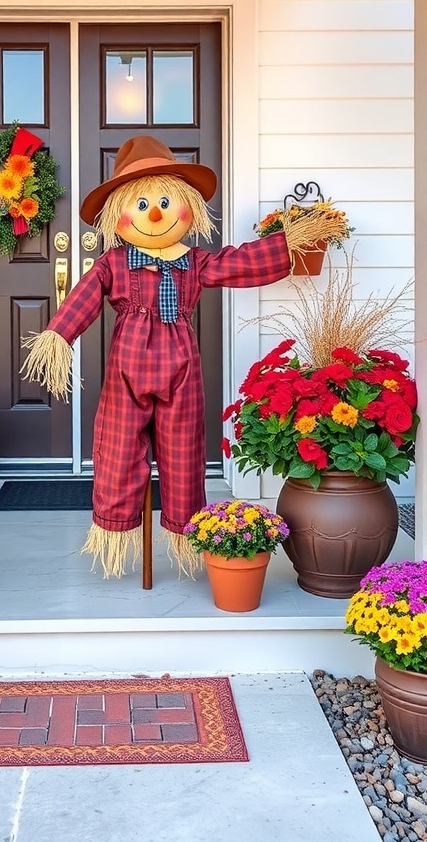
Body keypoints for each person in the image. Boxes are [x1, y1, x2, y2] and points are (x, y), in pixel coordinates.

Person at [23, 136, 342, 578]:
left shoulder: (192, 262)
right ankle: (115, 532)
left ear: (187, 208)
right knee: (117, 450)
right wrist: (58, 336)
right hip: (127, 374)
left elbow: (238, 262)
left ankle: (182, 530)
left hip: (182, 371)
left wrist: (290, 242)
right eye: (141, 205)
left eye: (166, 201)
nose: (154, 213)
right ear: (118, 215)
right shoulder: (113, 264)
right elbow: (84, 299)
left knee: (184, 452)